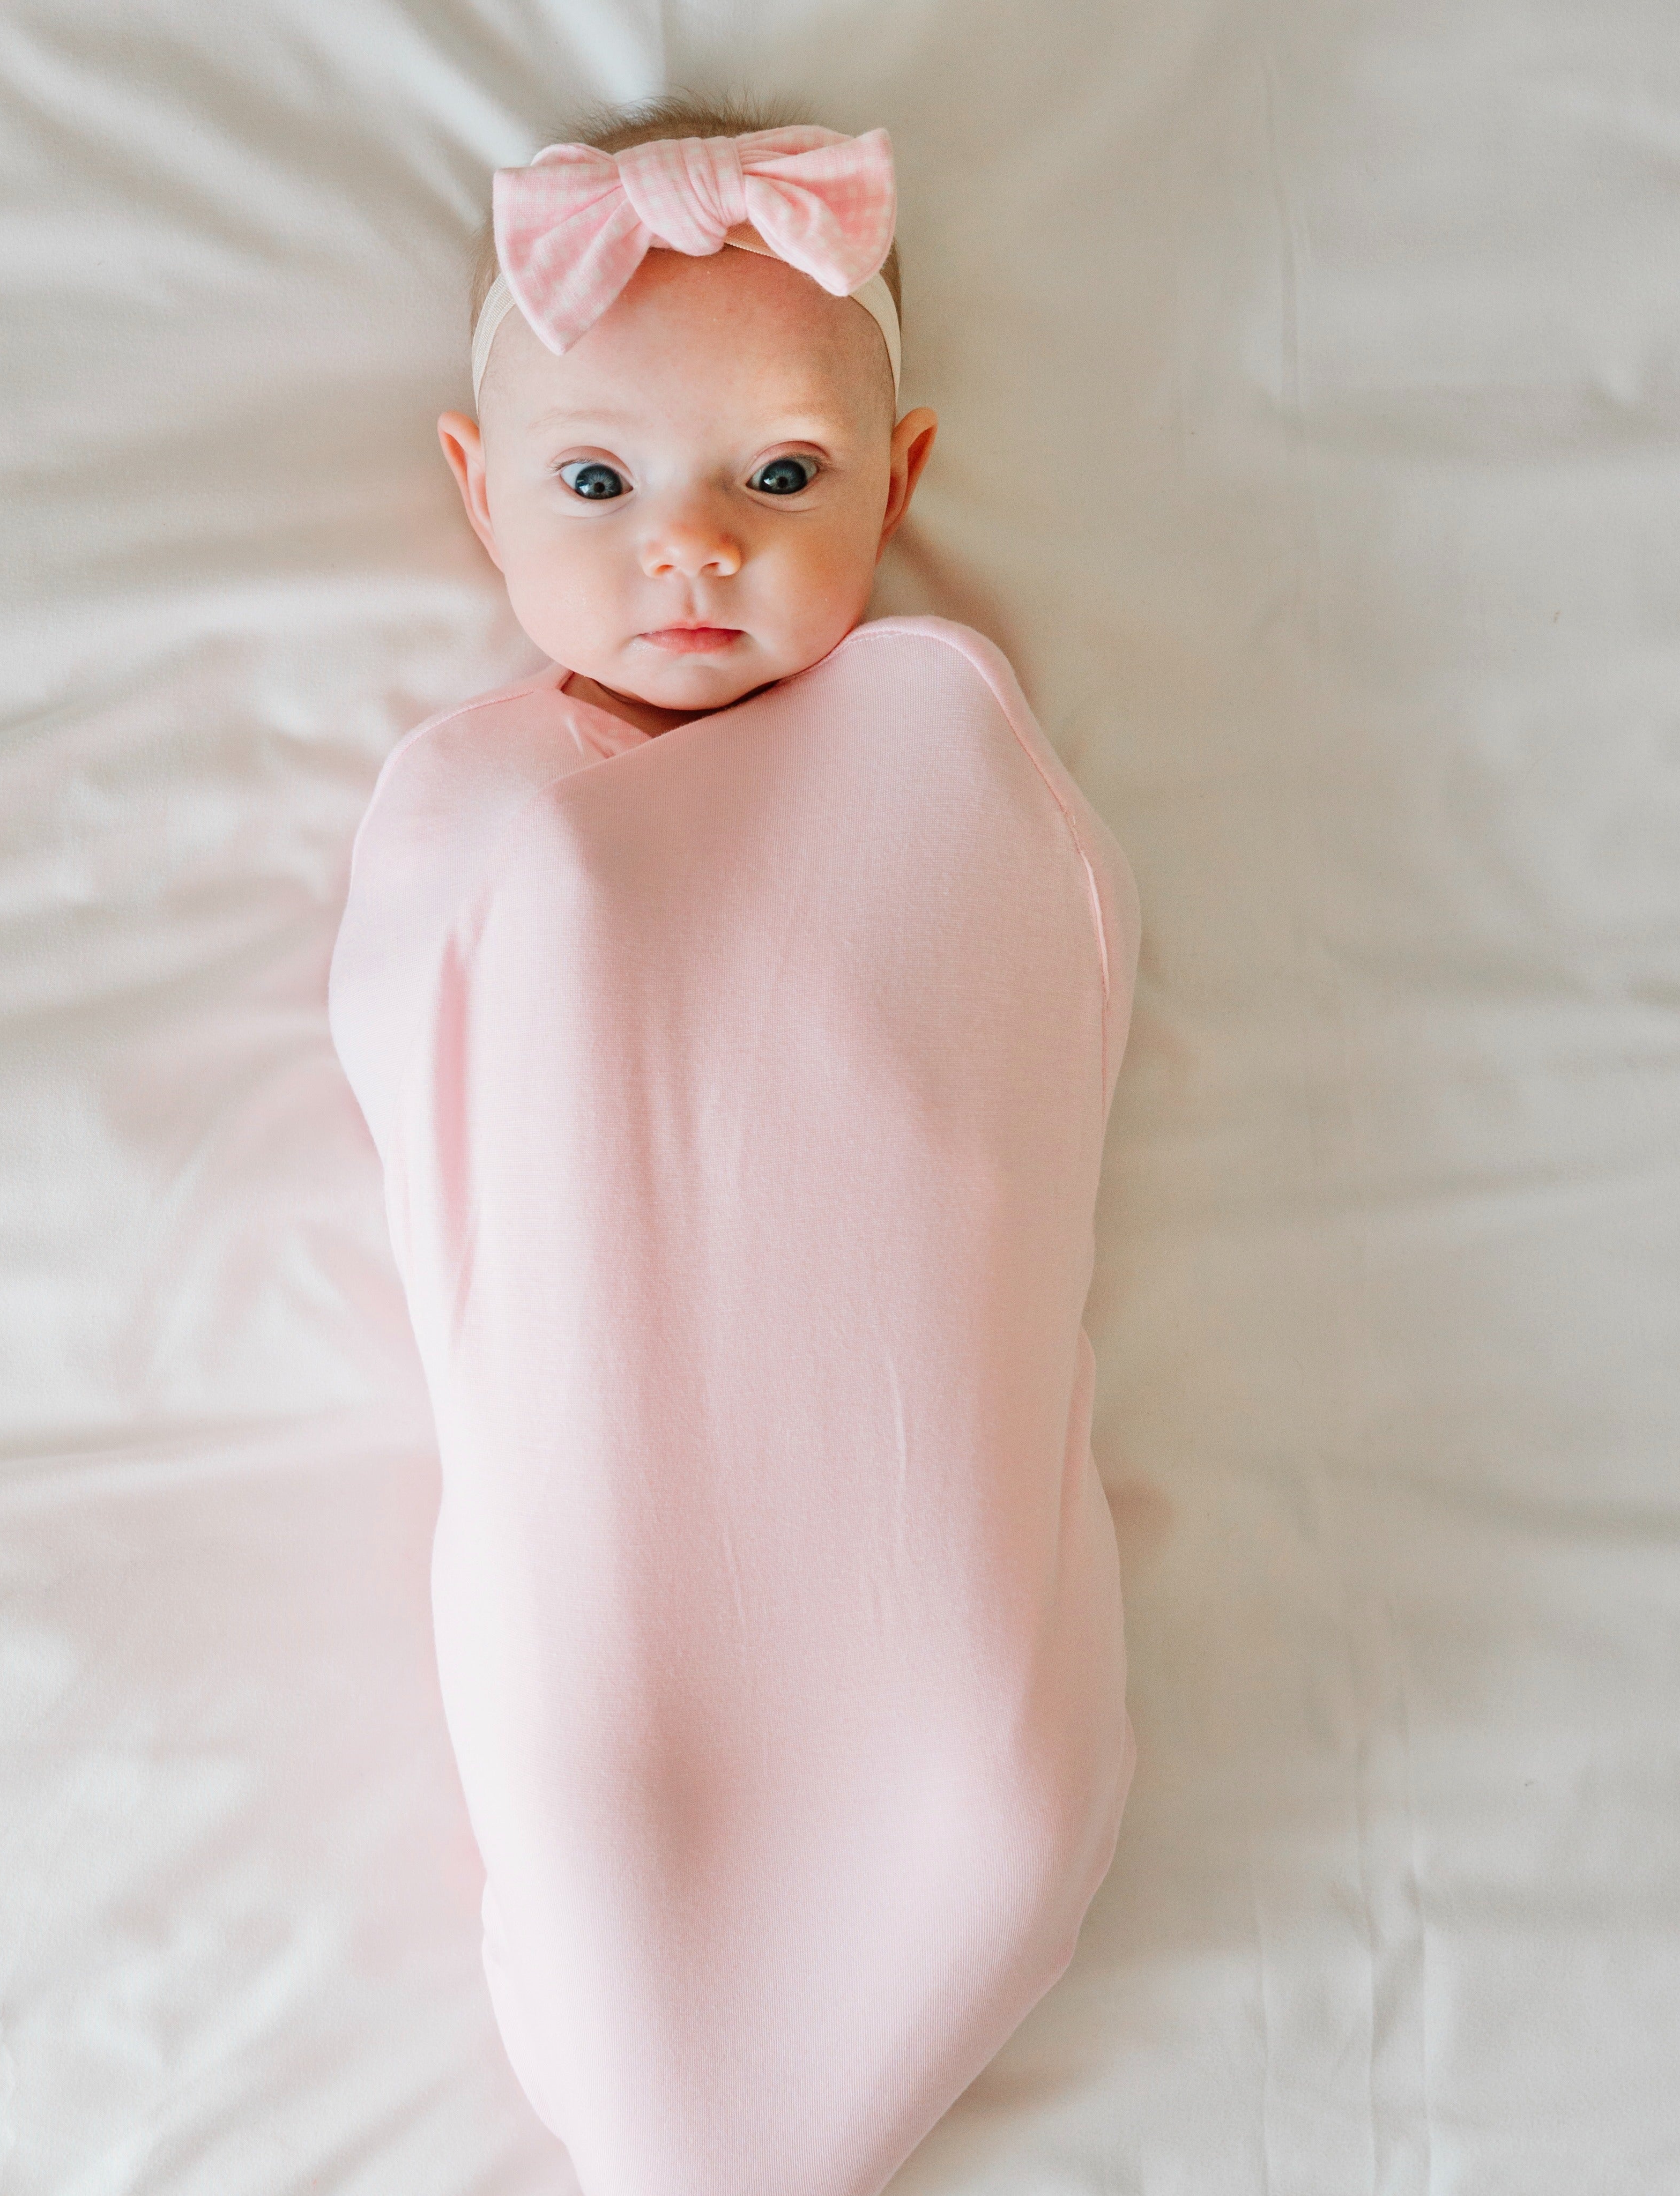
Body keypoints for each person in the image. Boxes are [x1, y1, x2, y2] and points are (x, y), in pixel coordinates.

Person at [329, 95, 1140, 2196]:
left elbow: (1007, 1078)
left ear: (902, 481)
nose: (689, 546)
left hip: (902, 1516)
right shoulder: (483, 813)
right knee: (601, 1817)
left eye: (780, 477)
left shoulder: (943, 761)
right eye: (596, 482)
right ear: (476, 488)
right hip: (614, 1519)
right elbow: (452, 1101)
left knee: (989, 1795)